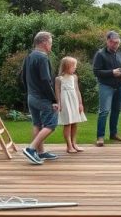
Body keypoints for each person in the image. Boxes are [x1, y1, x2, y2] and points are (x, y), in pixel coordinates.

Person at [21, 31, 59, 165]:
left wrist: (30, 92)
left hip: (31, 97)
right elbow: (45, 81)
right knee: (51, 124)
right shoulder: (42, 58)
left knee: (37, 124)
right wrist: (53, 100)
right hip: (42, 98)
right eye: (50, 43)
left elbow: (22, 77)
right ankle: (31, 149)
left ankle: (40, 152)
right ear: (43, 42)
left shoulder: (30, 56)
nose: (51, 46)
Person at [92, 30, 121, 146]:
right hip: (106, 86)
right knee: (104, 111)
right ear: (108, 41)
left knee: (116, 111)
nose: (115, 45)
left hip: (119, 86)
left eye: (117, 42)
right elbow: (96, 71)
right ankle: (100, 137)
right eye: (113, 42)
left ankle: (113, 134)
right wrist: (112, 73)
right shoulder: (100, 54)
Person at [56, 56, 87, 153]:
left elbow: (77, 91)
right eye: (74, 66)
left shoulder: (74, 77)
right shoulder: (59, 79)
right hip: (65, 102)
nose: (75, 68)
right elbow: (57, 93)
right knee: (68, 123)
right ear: (67, 66)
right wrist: (59, 104)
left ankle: (74, 143)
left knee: (75, 123)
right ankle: (69, 146)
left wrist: (80, 103)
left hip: (74, 102)